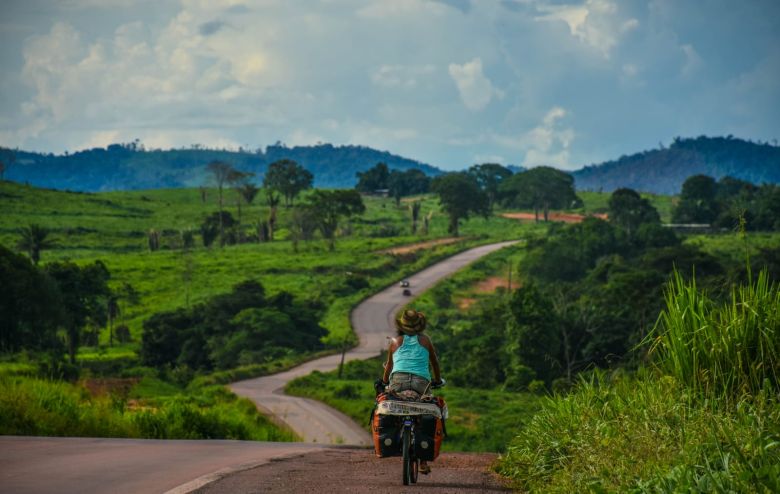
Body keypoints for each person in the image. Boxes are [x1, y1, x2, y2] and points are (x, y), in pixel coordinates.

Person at [378, 308, 442, 474]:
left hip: (398, 381)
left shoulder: (395, 341)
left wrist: (384, 381)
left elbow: (390, 366)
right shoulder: (426, 341)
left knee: (394, 407)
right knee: (423, 413)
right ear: (419, 326)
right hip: (422, 383)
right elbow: (435, 364)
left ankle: (396, 437)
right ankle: (423, 462)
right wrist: (437, 380)